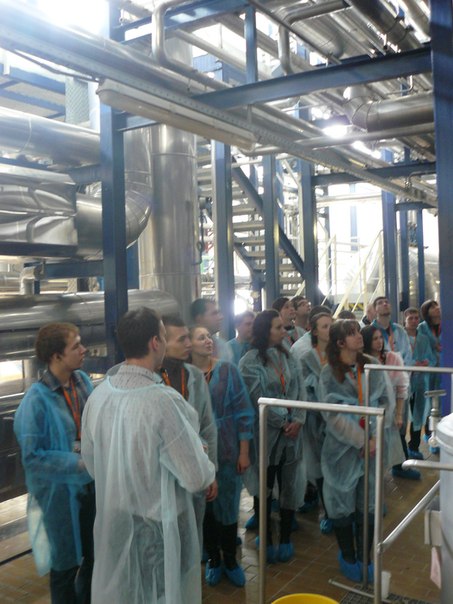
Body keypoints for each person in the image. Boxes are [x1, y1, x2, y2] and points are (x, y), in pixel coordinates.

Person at [81, 307, 215, 604]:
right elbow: (195, 478)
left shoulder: (99, 396)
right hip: (157, 531)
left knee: (126, 593)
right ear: (155, 342)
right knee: (159, 594)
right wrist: (201, 456)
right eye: (165, 337)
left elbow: (93, 463)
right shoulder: (163, 401)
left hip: (117, 521)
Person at [14, 322, 94, 604]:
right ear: (56, 356)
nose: (84, 350)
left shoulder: (82, 382)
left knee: (94, 555)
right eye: (76, 346)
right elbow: (33, 457)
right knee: (64, 566)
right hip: (58, 496)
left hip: (90, 486)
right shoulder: (36, 401)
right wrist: (77, 463)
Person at [319, 319, 391, 583]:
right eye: (352, 334)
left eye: (359, 332)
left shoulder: (371, 365)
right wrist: (362, 440)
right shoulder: (328, 373)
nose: (359, 336)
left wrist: (374, 437)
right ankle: (348, 556)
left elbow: (385, 401)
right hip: (342, 450)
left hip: (373, 445)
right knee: (341, 503)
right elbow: (333, 415)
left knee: (368, 502)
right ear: (340, 343)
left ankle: (365, 556)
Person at [239, 309, 306, 564]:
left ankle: (286, 537)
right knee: (264, 486)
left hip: (291, 435)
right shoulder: (250, 361)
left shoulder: (288, 355)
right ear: (265, 331)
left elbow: (299, 389)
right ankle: (265, 537)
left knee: (289, 484)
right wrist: (283, 421)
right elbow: (257, 397)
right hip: (266, 435)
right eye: (278, 327)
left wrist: (298, 419)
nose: (283, 331)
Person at [189, 325, 254, 588]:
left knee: (228, 508)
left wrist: (244, 451)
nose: (208, 341)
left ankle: (230, 559)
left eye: (209, 336)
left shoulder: (228, 371)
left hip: (227, 451)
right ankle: (213, 559)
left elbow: (243, 412)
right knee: (205, 509)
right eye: (201, 337)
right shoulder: (185, 376)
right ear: (189, 345)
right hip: (197, 453)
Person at [160, 314, 218, 544]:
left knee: (192, 535)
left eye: (188, 338)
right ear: (161, 343)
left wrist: (210, 471)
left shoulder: (193, 376)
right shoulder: (152, 378)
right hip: (163, 474)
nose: (188, 344)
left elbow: (208, 426)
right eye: (181, 339)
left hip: (195, 466)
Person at [361, 325, 418, 480]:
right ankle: (373, 476)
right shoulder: (361, 360)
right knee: (372, 442)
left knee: (396, 439)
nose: (379, 341)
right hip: (370, 408)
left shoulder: (393, 358)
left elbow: (402, 387)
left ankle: (400, 467)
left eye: (381, 337)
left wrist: (398, 414)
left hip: (391, 406)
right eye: (375, 339)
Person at [300, 312, 333, 534]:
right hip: (315, 420)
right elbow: (302, 389)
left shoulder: (339, 355)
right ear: (314, 331)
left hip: (339, 419)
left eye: (331, 325)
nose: (329, 330)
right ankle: (328, 511)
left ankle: (342, 510)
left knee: (338, 466)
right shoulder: (306, 358)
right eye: (324, 326)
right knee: (320, 466)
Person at [404, 307, 436, 459]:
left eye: (416, 318)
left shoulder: (423, 338)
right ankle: (401, 450)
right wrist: (411, 364)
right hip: (403, 383)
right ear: (405, 320)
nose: (414, 321)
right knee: (402, 416)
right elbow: (397, 357)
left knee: (417, 415)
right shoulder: (400, 337)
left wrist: (426, 363)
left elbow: (431, 357)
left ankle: (414, 447)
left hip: (420, 382)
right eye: (410, 318)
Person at [418, 300, 442, 448]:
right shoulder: (422, 327)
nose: (437, 308)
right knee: (429, 404)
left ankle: (443, 434)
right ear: (426, 312)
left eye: (437, 305)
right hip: (429, 371)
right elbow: (422, 348)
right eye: (432, 307)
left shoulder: (447, 324)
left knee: (444, 401)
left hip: (445, 369)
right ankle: (430, 434)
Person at [371, 296, 412, 365]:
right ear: (375, 310)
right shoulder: (370, 331)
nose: (385, 304)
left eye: (386, 302)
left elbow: (408, 354)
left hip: (402, 369)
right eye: (380, 303)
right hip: (379, 369)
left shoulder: (400, 330)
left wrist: (403, 369)